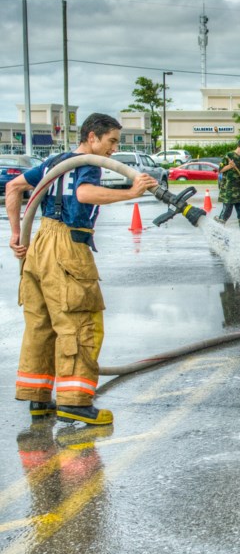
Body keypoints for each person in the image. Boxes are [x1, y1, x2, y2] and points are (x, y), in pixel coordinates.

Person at [5, 112, 157, 426]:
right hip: (68, 246)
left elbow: (14, 187)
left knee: (41, 325)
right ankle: (74, 403)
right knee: (80, 323)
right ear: (92, 137)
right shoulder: (88, 163)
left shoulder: (53, 162)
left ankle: (39, 398)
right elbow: (83, 194)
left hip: (39, 245)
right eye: (111, 141)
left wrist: (18, 234)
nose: (114, 149)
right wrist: (131, 192)